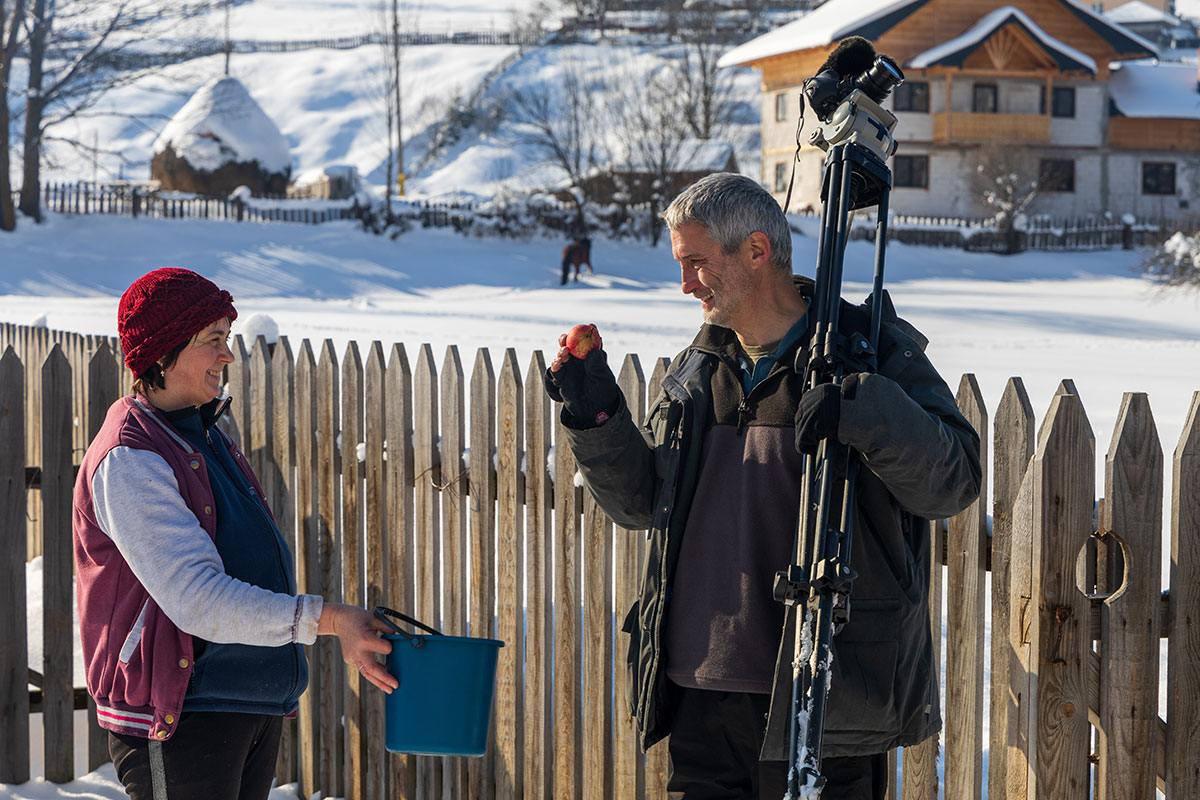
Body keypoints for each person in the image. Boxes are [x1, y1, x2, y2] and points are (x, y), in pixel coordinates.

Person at [544, 173, 981, 799]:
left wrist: (866, 410)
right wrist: (599, 418)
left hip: (826, 693)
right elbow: (643, 506)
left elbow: (955, 481)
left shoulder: (864, 354)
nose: (685, 283)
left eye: (696, 262)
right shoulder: (699, 368)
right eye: (681, 264)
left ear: (756, 250)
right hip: (700, 690)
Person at [73, 267, 399, 800]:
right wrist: (331, 620)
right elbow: (197, 599)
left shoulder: (205, 433)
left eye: (228, 338)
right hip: (179, 716)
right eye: (213, 340)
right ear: (161, 352)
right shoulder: (131, 458)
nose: (228, 355)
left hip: (246, 701)